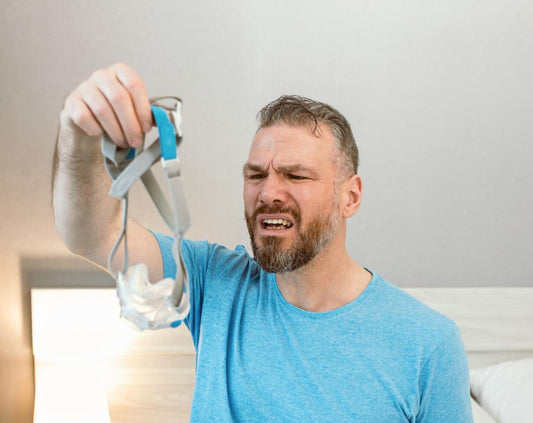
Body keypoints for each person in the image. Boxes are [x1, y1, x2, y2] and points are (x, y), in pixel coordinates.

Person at [52, 63, 473, 422]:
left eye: (295, 175)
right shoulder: (211, 282)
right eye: (256, 175)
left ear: (351, 196)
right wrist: (78, 136)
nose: (268, 191)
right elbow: (93, 233)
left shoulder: (428, 343)